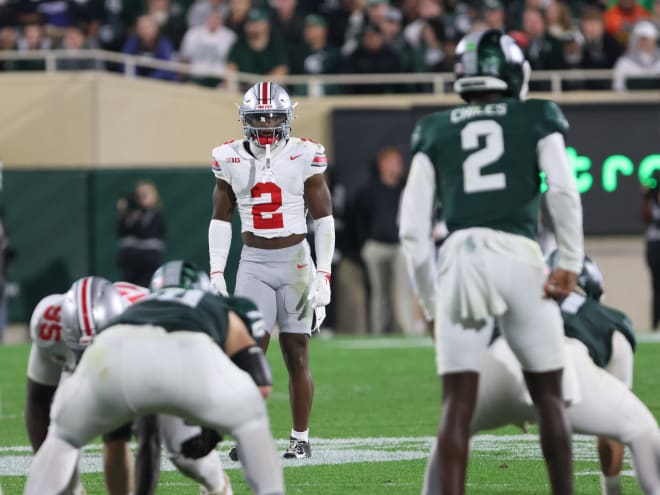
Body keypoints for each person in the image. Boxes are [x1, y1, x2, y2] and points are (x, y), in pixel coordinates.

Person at [399, 29, 583, 495]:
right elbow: (562, 191)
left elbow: (412, 230)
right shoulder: (537, 114)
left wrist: (429, 301)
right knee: (550, 400)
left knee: (456, 405)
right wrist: (571, 261)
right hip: (520, 254)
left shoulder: (435, 127)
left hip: (461, 258)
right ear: (514, 71)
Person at [25, 269, 284, 495]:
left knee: (185, 454)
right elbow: (37, 402)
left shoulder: (145, 328)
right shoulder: (50, 321)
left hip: (147, 358)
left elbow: (149, 439)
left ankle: (217, 487)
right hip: (105, 363)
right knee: (65, 439)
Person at [421, 266, 660, 495]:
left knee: (453, 430)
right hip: (562, 368)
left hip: (499, 361)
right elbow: (610, 438)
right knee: (641, 429)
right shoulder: (609, 320)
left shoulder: (514, 300)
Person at [208, 81, 334, 459]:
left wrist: (323, 273)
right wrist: (217, 272)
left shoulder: (305, 154)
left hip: (295, 260)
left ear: (287, 119)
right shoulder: (228, 157)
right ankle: (248, 435)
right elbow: (220, 218)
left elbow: (324, 220)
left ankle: (300, 437)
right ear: (244, 119)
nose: (265, 124)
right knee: (248, 352)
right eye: (258, 117)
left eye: (272, 117)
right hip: (254, 262)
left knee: (296, 352)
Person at [355, 147, 416, 334]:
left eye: (398, 162)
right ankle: (378, 331)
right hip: (376, 246)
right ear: (382, 165)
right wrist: (363, 244)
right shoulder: (369, 191)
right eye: (392, 162)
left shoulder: (407, 189)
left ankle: (406, 330)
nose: (397, 166)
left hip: (400, 246)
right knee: (379, 293)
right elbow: (358, 219)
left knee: (401, 291)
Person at [117, 181, 166, 287]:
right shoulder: (129, 215)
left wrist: (138, 220)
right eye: (138, 195)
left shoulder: (155, 214)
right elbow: (122, 232)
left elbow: (148, 232)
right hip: (131, 260)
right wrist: (124, 213)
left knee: (147, 284)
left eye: (145, 195)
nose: (141, 198)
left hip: (149, 260)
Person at [225, 9, 289, 79]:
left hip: (269, 87)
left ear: (267, 25)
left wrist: (258, 86)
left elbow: (282, 69)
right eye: (250, 23)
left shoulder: (276, 44)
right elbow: (230, 67)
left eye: (257, 23)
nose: (253, 27)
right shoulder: (239, 45)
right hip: (243, 87)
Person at [180, 10, 237, 87]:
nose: (214, 21)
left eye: (217, 18)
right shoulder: (193, 33)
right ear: (206, 18)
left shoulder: (230, 37)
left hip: (218, 79)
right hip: (195, 77)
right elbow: (184, 57)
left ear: (222, 21)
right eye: (212, 18)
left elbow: (231, 64)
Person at [121, 15, 176, 81]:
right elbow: (125, 61)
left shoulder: (164, 44)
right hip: (136, 81)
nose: (145, 31)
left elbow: (166, 67)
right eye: (142, 28)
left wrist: (150, 80)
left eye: (148, 27)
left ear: (156, 29)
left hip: (159, 83)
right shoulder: (133, 41)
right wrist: (136, 79)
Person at [612, 20, 660, 91]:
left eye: (648, 39)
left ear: (654, 39)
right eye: (642, 39)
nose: (645, 42)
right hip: (632, 100)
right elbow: (618, 85)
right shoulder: (624, 61)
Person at [642, 170, 660, 329]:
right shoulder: (650, 199)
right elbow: (646, 217)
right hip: (654, 245)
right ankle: (655, 323)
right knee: (656, 286)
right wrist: (647, 196)